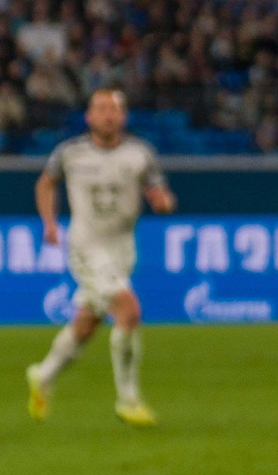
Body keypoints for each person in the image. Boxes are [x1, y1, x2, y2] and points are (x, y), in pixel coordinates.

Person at [26, 88, 176, 427]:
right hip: (86, 246)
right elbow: (45, 184)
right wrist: (49, 223)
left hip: (123, 248)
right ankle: (128, 400)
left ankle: (43, 374)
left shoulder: (140, 154)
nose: (108, 114)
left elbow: (158, 190)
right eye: (101, 108)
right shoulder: (70, 152)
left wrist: (163, 201)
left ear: (123, 117)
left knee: (87, 322)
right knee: (129, 310)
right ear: (89, 116)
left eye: (114, 109)